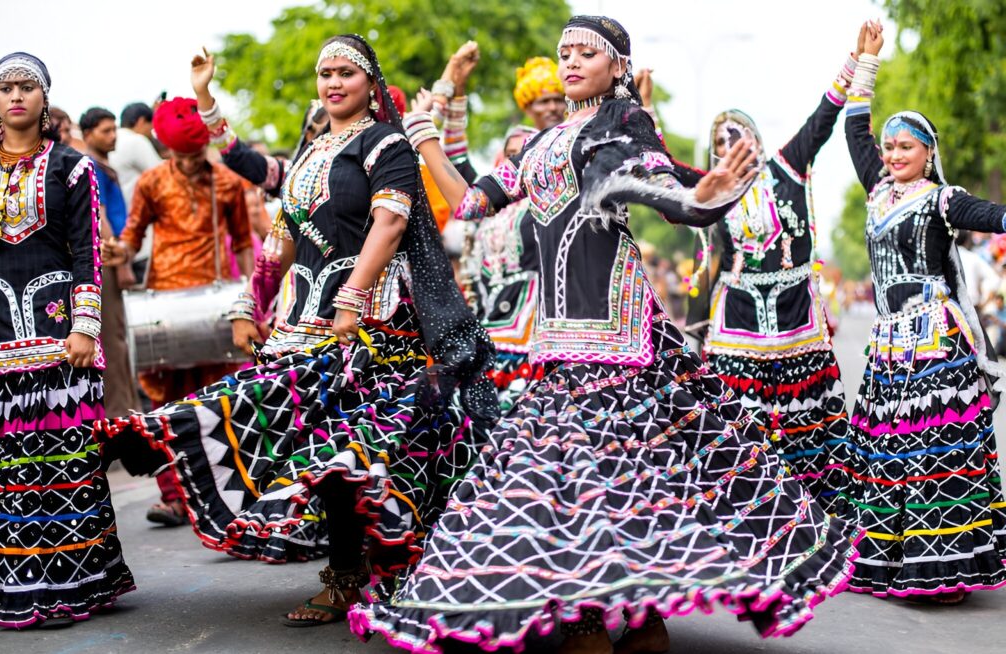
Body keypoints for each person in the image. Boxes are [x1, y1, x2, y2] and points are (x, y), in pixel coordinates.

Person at [354, 16, 862, 654]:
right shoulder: (538, 145)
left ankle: (617, 617)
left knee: (623, 477)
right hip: (557, 338)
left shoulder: (622, 124)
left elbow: (660, 189)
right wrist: (426, 139)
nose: (570, 62)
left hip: (619, 337)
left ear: (618, 64)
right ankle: (617, 616)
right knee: (577, 483)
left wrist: (704, 195)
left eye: (585, 53)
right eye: (563, 51)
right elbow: (469, 204)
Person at [95, 34, 496, 627]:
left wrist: (353, 298)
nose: (333, 82)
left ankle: (368, 572)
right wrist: (246, 303)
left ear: (370, 83)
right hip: (303, 323)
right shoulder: (312, 153)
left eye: (346, 73)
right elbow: (280, 240)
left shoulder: (385, 142)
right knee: (308, 448)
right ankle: (345, 572)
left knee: (350, 455)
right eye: (324, 73)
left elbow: (389, 224)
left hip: (374, 326)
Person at [840, 22, 1006, 604]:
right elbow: (852, 129)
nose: (892, 155)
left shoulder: (942, 199)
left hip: (936, 344)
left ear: (928, 152)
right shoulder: (877, 190)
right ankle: (889, 564)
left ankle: (946, 569)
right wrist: (867, 62)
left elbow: (992, 214)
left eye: (905, 146)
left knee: (937, 455)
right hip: (889, 347)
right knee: (888, 452)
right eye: (889, 148)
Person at [0, 52, 134, 629]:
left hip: (58, 342)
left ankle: (71, 585)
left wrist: (84, 326)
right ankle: (9, 588)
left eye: (27, 87)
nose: (16, 95)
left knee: (60, 467)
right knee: (1, 472)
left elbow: (86, 252)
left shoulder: (72, 168)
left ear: (45, 98)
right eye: (5, 87)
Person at [693, 27, 869, 513]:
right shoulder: (710, 190)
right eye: (719, 139)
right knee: (737, 419)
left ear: (755, 139)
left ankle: (809, 509)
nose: (729, 143)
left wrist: (855, 64)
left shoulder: (787, 167)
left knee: (805, 416)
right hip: (738, 322)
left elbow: (823, 117)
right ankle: (748, 508)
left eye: (737, 134)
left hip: (795, 317)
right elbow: (656, 170)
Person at [108, 97, 254, 527]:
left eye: (195, 155)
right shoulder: (151, 182)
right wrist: (120, 251)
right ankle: (174, 498)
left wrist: (252, 298)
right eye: (180, 155)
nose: (189, 164)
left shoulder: (227, 182)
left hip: (216, 307)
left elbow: (244, 243)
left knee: (221, 406)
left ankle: (228, 500)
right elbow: (132, 236)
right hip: (164, 310)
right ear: (167, 150)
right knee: (164, 406)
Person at [425, 43, 562, 409]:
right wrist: (457, 93)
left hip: (539, 325)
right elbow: (456, 162)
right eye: (514, 155)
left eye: (557, 99)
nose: (549, 107)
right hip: (491, 320)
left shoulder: (555, 189)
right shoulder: (489, 202)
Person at [79, 106, 140, 419]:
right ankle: (119, 417)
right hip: (109, 259)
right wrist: (122, 263)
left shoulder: (104, 164)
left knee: (119, 338)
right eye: (105, 130)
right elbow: (100, 214)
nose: (113, 135)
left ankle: (126, 412)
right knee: (112, 340)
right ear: (88, 134)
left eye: (114, 129)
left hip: (116, 256)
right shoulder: (90, 165)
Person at [109, 102, 162, 211]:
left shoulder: (112, 140)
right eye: (150, 127)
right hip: (137, 214)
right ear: (141, 121)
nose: (150, 133)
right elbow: (161, 175)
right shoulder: (136, 140)